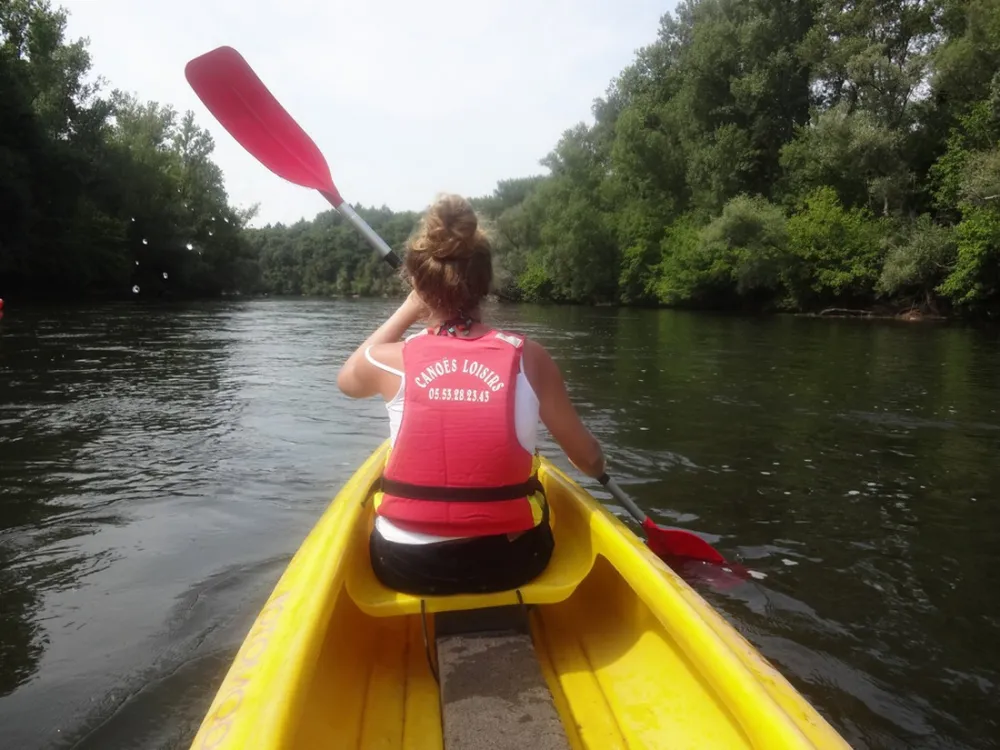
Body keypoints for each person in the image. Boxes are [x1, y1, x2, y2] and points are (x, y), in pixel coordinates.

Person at [337, 194, 605, 595]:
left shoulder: (392, 361)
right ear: (486, 284)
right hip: (508, 564)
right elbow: (588, 459)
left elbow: (347, 380)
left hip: (403, 566)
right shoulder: (529, 358)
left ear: (421, 283)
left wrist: (411, 306)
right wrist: (591, 463)